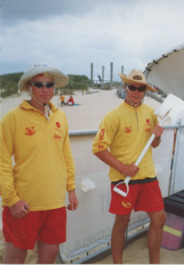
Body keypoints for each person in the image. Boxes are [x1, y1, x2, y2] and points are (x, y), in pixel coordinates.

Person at [0, 64, 79, 263]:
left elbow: (66, 154)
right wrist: (11, 200)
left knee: (50, 255)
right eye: (39, 84)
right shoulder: (13, 118)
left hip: (55, 201)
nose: (45, 89)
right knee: (16, 257)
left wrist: (71, 188)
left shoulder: (60, 116)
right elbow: (2, 161)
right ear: (29, 87)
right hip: (23, 204)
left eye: (49, 85)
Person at [92, 69, 166, 264]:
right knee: (122, 222)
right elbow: (98, 148)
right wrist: (123, 168)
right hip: (123, 179)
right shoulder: (113, 116)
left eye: (140, 88)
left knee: (159, 219)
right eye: (132, 87)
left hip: (148, 175)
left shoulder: (152, 113)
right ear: (125, 87)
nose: (136, 91)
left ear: (145, 91)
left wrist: (157, 136)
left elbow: (154, 144)